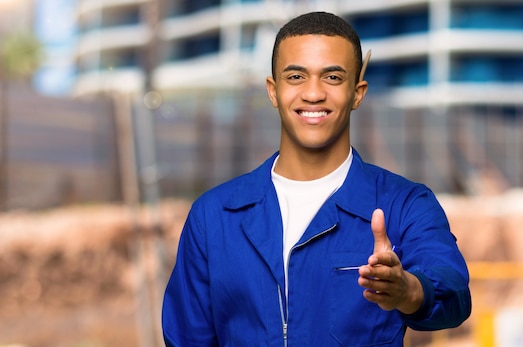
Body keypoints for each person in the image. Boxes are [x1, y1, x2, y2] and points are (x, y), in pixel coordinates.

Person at [162, 11, 471, 346]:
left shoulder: (405, 205)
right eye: (296, 77)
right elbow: (185, 337)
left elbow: (454, 294)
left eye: (333, 78)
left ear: (358, 92)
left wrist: (407, 290)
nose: (313, 94)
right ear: (273, 90)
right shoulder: (213, 217)